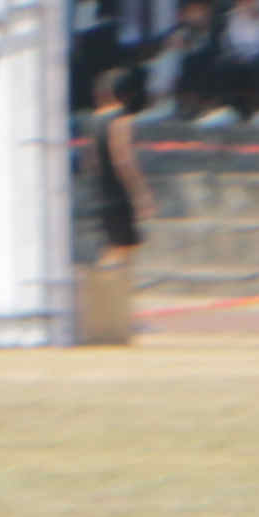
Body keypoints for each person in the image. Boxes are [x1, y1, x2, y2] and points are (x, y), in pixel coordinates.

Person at [71, 59, 149, 344]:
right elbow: (123, 158)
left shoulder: (92, 121)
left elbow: (90, 160)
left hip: (100, 192)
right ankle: (112, 312)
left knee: (111, 250)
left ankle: (110, 311)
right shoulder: (121, 120)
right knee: (121, 253)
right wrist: (140, 193)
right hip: (118, 194)